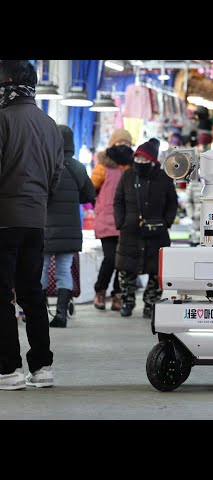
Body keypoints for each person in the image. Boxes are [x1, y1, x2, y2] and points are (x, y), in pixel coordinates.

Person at [0, 60, 63, 389]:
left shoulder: (2, 119)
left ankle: (8, 370)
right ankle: (42, 367)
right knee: (32, 294)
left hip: (4, 221)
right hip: (35, 220)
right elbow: (56, 173)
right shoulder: (49, 123)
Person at [114, 138, 178, 319]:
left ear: (153, 160)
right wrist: (121, 222)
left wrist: (166, 221)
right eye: (138, 158)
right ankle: (127, 302)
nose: (140, 162)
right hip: (130, 230)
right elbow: (118, 201)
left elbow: (172, 203)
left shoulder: (164, 177)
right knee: (126, 270)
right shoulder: (127, 176)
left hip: (157, 231)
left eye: (144, 159)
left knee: (157, 271)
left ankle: (150, 304)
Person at [42, 126, 96, 328]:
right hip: (70, 229)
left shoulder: (44, 165)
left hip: (45, 228)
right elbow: (89, 195)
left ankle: (39, 315)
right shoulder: (77, 167)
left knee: (42, 270)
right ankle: (61, 315)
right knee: (64, 270)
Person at [91, 128, 134, 311]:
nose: (123, 146)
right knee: (110, 258)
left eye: (127, 143)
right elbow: (92, 187)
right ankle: (100, 291)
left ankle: (118, 294)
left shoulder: (133, 165)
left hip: (127, 219)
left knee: (123, 261)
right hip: (107, 219)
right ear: (112, 143)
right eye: (120, 142)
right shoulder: (103, 164)